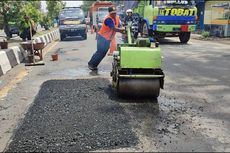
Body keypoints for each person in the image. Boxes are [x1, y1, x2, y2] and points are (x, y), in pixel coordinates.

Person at [88, 7, 125, 71]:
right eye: (112, 13)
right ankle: (91, 64)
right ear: (109, 13)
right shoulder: (108, 19)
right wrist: (122, 30)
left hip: (108, 38)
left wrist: (122, 27)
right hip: (102, 37)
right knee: (100, 52)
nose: (114, 15)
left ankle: (93, 64)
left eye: (115, 13)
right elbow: (114, 28)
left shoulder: (117, 17)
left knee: (103, 52)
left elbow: (119, 25)